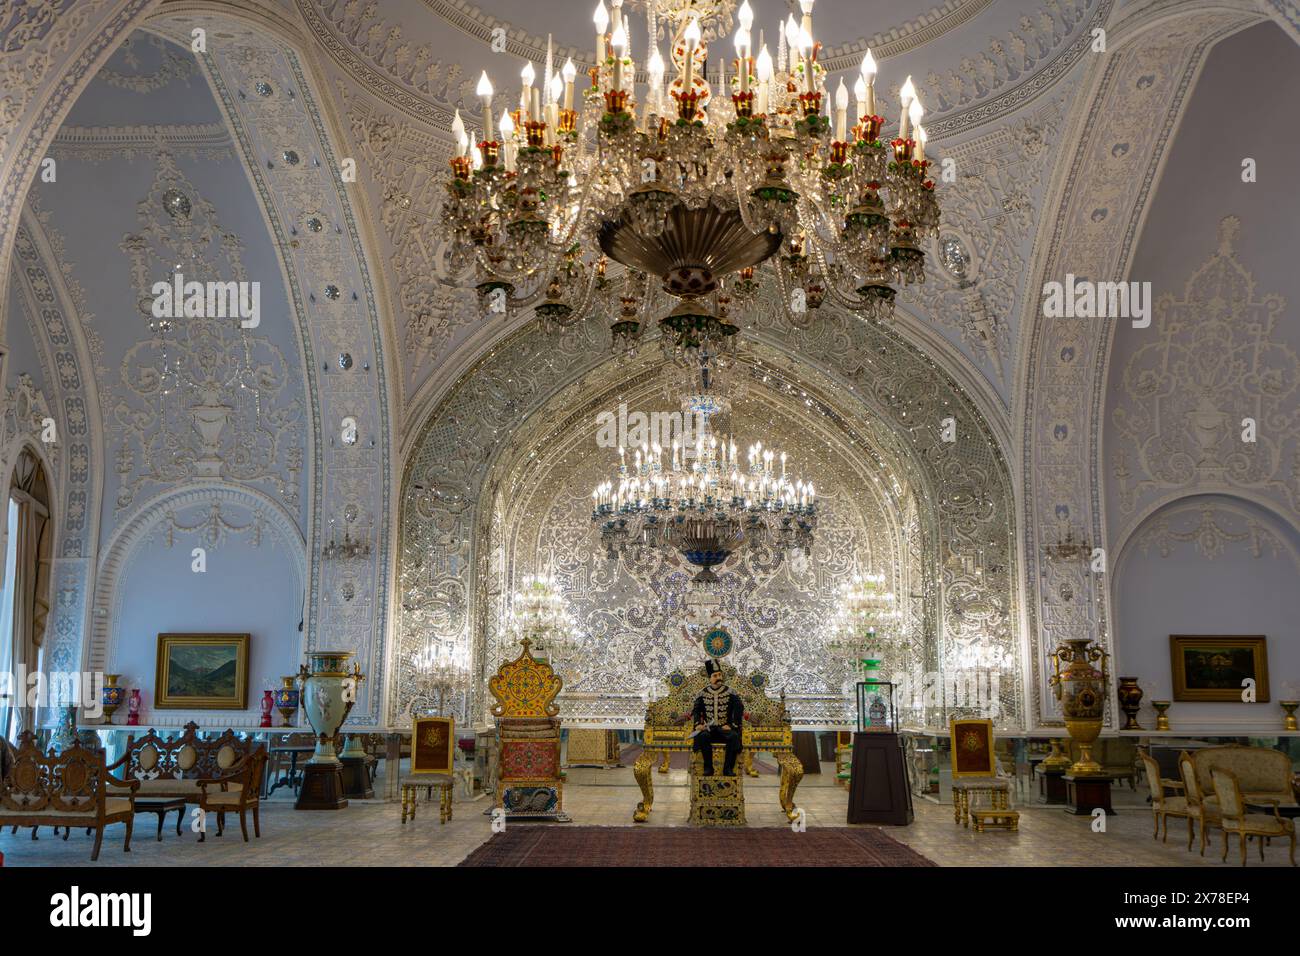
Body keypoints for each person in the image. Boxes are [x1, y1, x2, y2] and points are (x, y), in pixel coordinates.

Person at [692, 659, 743, 776]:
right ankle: (708, 768)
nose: (718, 677)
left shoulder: (731, 692)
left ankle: (728, 769)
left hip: (724, 728)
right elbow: (696, 710)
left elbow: (739, 708)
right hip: (709, 729)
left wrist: (731, 725)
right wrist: (697, 724)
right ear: (710, 678)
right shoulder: (702, 693)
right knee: (703, 736)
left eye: (720, 675)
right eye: (715, 675)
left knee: (734, 737)